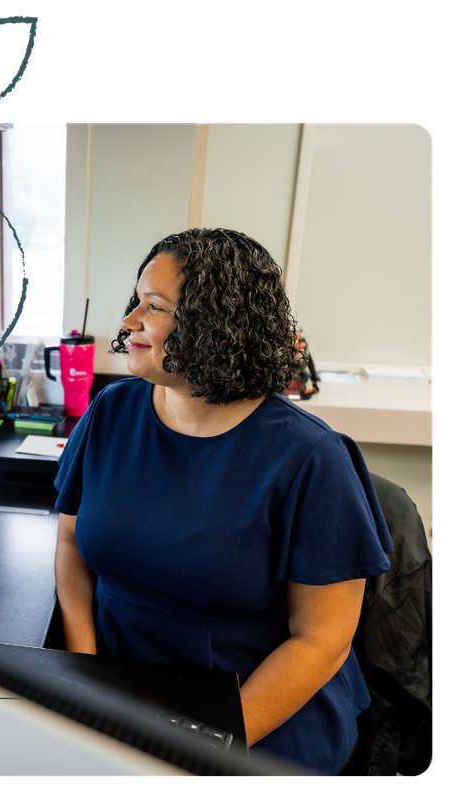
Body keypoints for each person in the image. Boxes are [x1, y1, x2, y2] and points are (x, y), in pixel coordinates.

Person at [53, 228, 393, 776]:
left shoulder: (311, 458)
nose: (128, 321)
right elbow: (71, 541)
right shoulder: (112, 412)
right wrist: (83, 674)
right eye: (136, 300)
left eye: (155, 307)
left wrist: (207, 745)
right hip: (123, 688)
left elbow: (321, 641)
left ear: (216, 327)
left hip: (252, 711)